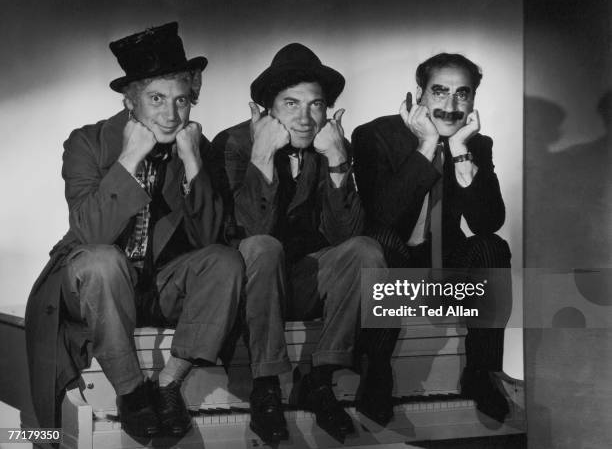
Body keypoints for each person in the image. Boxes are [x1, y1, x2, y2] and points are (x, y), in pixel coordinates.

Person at [25, 22, 245, 439]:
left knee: (226, 260)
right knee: (103, 260)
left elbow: (208, 241)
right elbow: (91, 231)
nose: (171, 114)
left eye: (182, 100)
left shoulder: (193, 145)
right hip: (92, 282)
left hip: (155, 286)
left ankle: (167, 385)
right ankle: (131, 392)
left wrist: (194, 164)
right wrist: (129, 159)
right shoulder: (86, 143)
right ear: (131, 101)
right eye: (157, 99)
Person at [212, 43, 387, 442]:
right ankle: (266, 385)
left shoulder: (330, 144)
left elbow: (346, 236)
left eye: (316, 105)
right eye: (291, 104)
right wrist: (261, 156)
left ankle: (320, 379)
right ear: (266, 110)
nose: (306, 118)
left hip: (302, 284)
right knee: (263, 246)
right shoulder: (233, 145)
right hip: (248, 286)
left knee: (367, 250)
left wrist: (340, 160)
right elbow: (245, 232)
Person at [352, 53, 513, 423]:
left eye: (462, 94)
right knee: (381, 239)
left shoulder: (476, 143)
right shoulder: (374, 135)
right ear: (419, 95)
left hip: (442, 269)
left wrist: (459, 155)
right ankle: (376, 370)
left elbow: (489, 222)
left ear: (473, 99)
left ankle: (480, 372)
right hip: (390, 267)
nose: (451, 105)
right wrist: (426, 147)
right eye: (439, 92)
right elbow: (383, 215)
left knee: (491, 246)